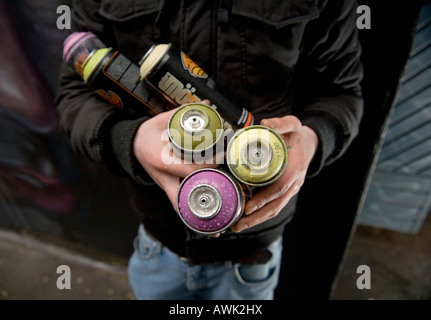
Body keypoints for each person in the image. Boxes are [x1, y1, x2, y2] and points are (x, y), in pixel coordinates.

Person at [56, 0, 363, 300]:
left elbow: (342, 92)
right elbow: (73, 92)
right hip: (158, 244)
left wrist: (311, 140)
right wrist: (131, 140)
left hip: (251, 255)